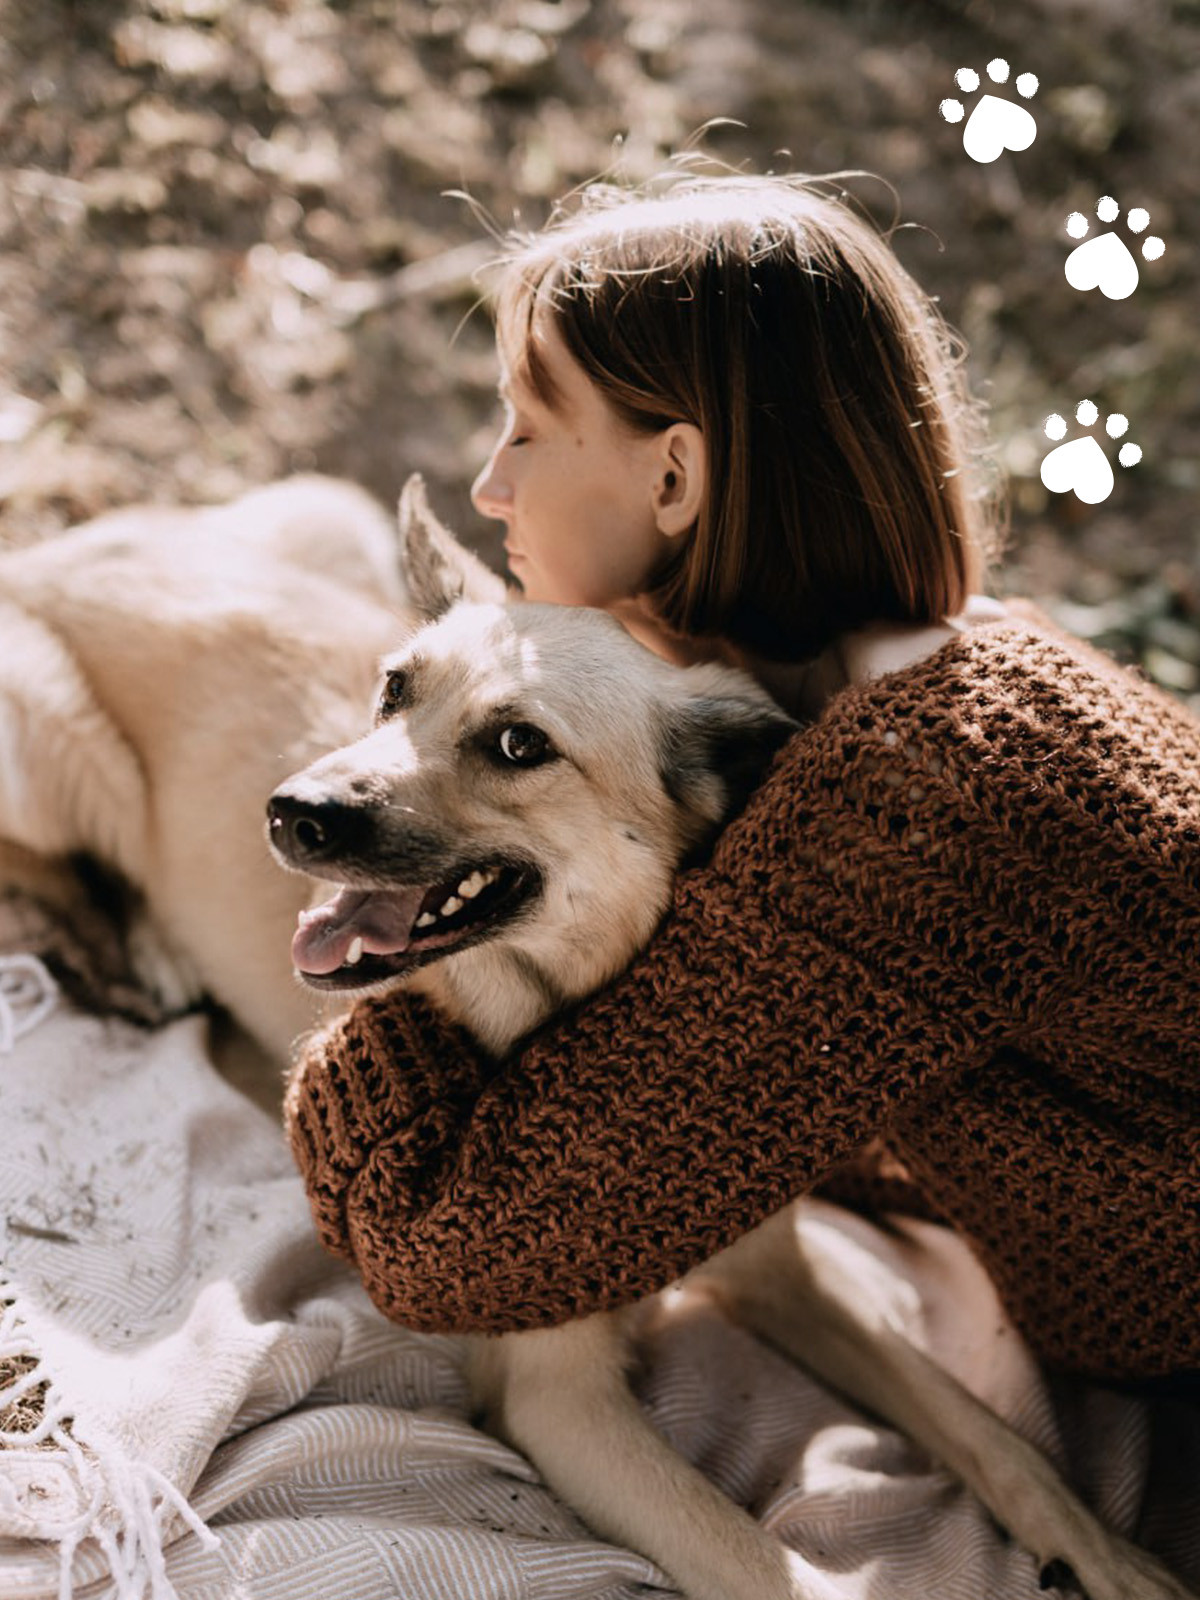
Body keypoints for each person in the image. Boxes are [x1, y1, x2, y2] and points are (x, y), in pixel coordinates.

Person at [284, 173, 1200, 1387]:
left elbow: (447, 1246)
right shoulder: (931, 666)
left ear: (673, 480)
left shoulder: (912, 800)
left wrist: (379, 966)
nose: (489, 488)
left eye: (523, 428)